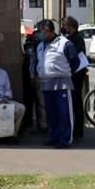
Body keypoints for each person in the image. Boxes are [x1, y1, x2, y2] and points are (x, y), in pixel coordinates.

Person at [36, 19, 79, 148]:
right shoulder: (40, 46)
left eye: (42, 32)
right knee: (51, 113)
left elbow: (75, 62)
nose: (40, 34)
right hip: (46, 83)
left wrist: (64, 72)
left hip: (62, 83)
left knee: (64, 112)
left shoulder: (65, 44)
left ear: (49, 31)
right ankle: (54, 136)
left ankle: (65, 139)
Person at [63, 16, 89, 141]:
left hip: (76, 74)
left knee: (75, 101)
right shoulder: (74, 38)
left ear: (71, 26)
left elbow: (73, 56)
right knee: (75, 101)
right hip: (76, 73)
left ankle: (78, 128)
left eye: (66, 25)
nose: (64, 28)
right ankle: (77, 128)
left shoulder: (76, 39)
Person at [22, 30, 47, 133]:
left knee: (41, 103)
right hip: (34, 76)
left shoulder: (44, 45)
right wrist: (32, 76)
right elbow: (32, 62)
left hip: (39, 76)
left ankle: (42, 124)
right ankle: (39, 124)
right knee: (37, 102)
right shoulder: (33, 45)